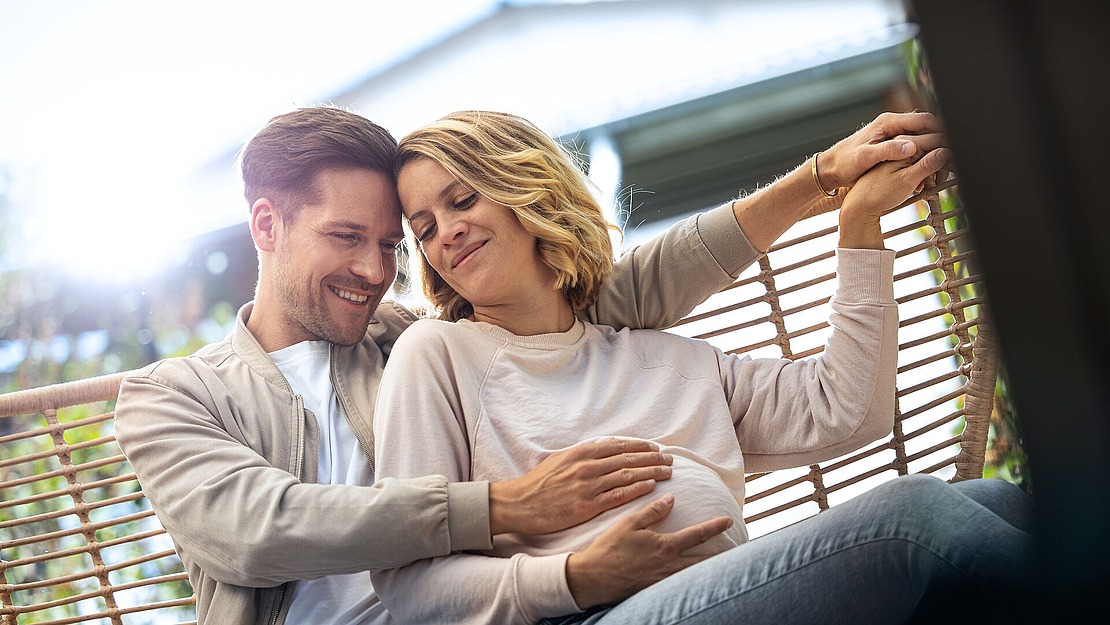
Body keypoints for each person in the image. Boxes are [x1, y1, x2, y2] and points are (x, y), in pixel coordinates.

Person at [113, 104, 948, 625]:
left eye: (389, 245)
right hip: (498, 610)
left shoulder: (411, 336)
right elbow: (262, 530)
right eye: (346, 239)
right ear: (266, 226)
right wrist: (501, 507)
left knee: (969, 513)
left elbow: (586, 304)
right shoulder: (170, 396)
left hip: (572, 603)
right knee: (914, 525)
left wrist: (823, 188)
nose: (376, 269)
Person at [370, 110, 1035, 624]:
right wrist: (572, 576)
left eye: (462, 201)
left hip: (721, 591)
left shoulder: (658, 354)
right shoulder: (436, 356)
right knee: (912, 516)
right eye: (423, 228)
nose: (444, 234)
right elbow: (409, 585)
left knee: (993, 500)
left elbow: (844, 410)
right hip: (582, 615)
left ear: (527, 188)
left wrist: (857, 221)